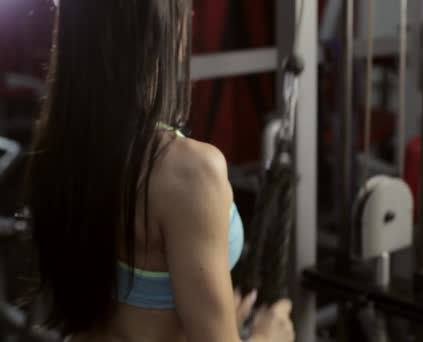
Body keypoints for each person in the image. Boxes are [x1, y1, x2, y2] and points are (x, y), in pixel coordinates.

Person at [25, 1, 294, 341]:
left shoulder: (58, 149)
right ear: (161, 31)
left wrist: (221, 316)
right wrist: (268, 335)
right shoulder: (189, 172)